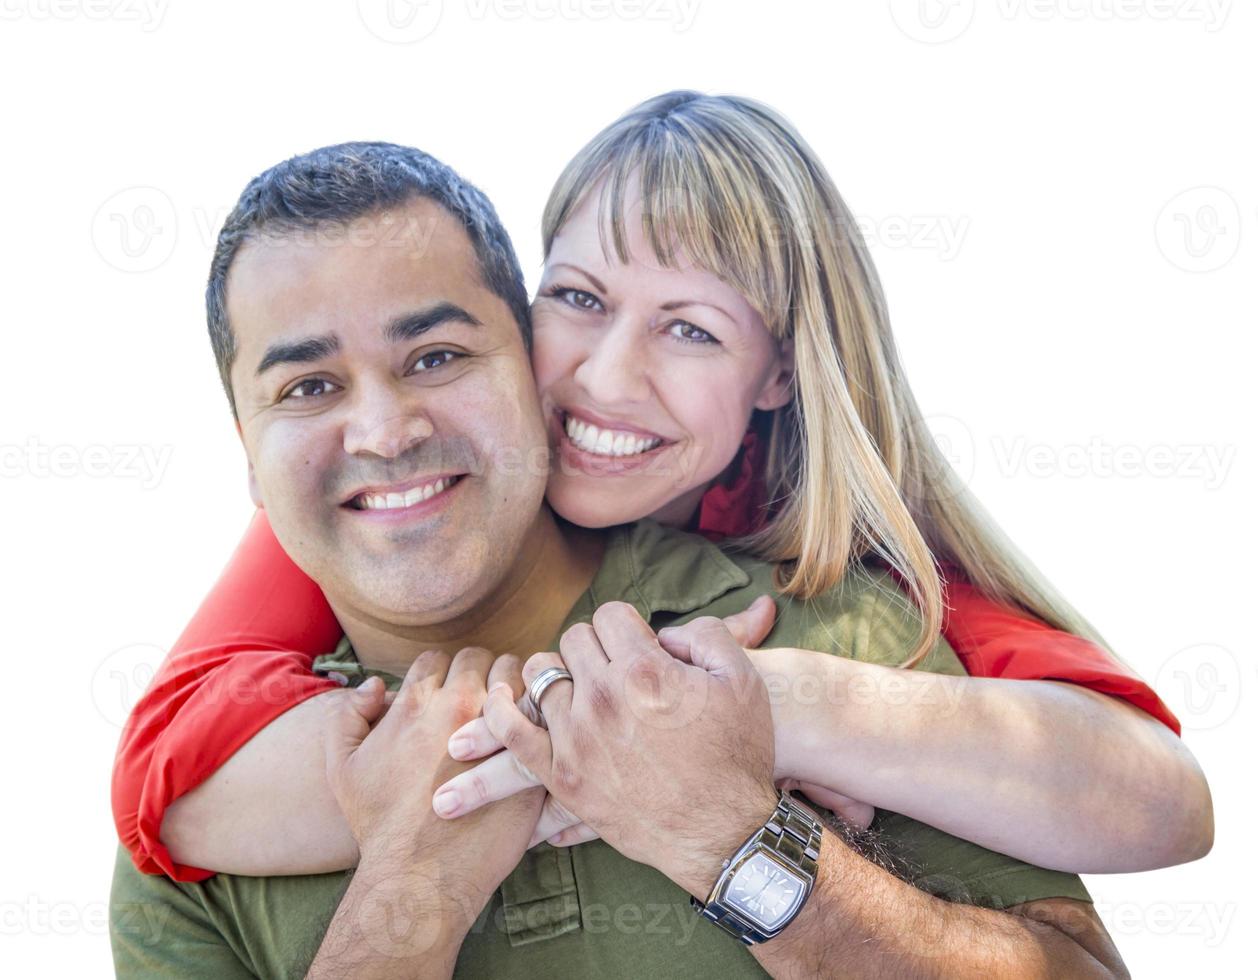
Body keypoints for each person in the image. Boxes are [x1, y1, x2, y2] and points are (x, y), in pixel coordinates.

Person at [110, 139, 1128, 978]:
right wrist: (410, 889)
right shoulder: (195, 834)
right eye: (306, 388)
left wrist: (733, 836)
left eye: (435, 356)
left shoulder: (821, 620)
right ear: (246, 454)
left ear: (526, 362)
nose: (383, 430)